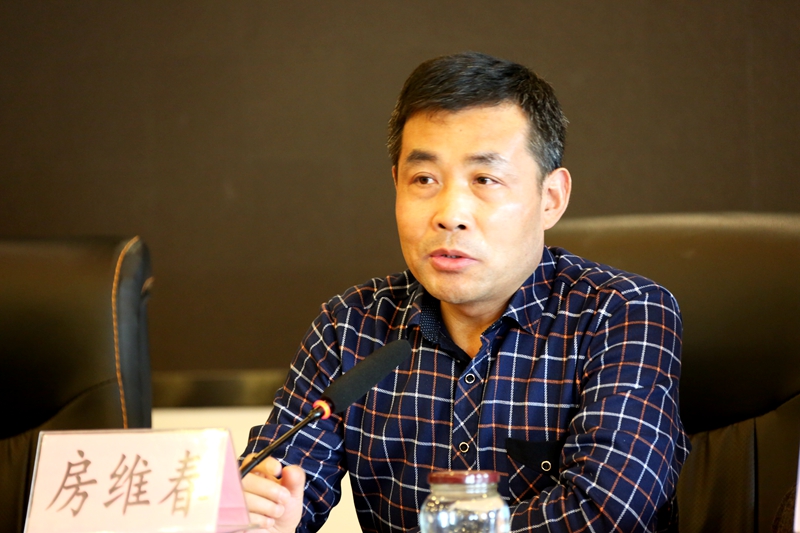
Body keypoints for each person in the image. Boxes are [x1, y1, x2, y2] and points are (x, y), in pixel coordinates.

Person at [240, 51, 689, 533]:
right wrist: (260, 511)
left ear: (551, 198)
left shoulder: (622, 314)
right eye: (424, 179)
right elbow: (281, 484)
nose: (449, 214)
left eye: (485, 179)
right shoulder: (350, 325)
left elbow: (605, 512)